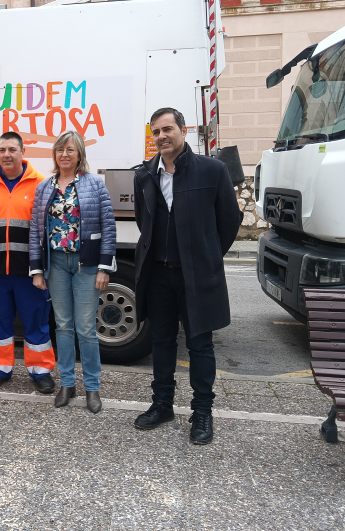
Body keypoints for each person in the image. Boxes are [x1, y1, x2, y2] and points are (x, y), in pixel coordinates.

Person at [133, 107, 241, 444]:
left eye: (168, 129)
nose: (162, 136)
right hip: (158, 275)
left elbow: (229, 221)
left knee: (200, 345)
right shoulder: (144, 174)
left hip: (197, 276)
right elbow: (143, 221)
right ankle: (162, 404)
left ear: (183, 130)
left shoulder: (213, 170)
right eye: (156, 132)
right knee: (161, 342)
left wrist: (207, 256)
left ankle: (202, 412)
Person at [29, 131, 116, 413]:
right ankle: (67, 383)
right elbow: (35, 231)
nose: (64, 154)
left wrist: (104, 267)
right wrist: (37, 270)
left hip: (85, 264)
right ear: (54, 154)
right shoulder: (44, 187)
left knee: (86, 329)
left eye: (70, 150)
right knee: (63, 326)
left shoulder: (94, 185)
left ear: (79, 155)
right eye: (60, 150)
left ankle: (92, 387)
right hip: (55, 264)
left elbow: (108, 227)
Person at [0, 132, 56, 394]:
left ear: (22, 152)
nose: (6, 155)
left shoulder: (41, 184)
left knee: (36, 321)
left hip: (31, 271)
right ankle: (0, 369)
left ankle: (41, 371)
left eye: (12, 150)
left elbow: (48, 227)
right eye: (2, 150)